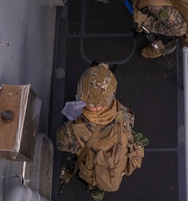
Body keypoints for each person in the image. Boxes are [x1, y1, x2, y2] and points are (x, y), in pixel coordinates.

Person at [56, 64, 146, 200]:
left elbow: (60, 143)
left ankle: (95, 187)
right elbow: (130, 124)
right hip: (117, 167)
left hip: (91, 173)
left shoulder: (72, 132)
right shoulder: (124, 114)